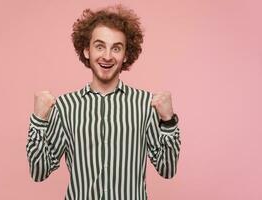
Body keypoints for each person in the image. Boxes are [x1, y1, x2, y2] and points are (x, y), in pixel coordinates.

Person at [26, 4, 181, 200]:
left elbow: (167, 170)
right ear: (86, 51)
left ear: (125, 55)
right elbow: (39, 172)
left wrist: (168, 122)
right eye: (100, 46)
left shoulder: (145, 105)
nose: (107, 56)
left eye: (116, 48)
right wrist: (39, 121)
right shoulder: (66, 107)